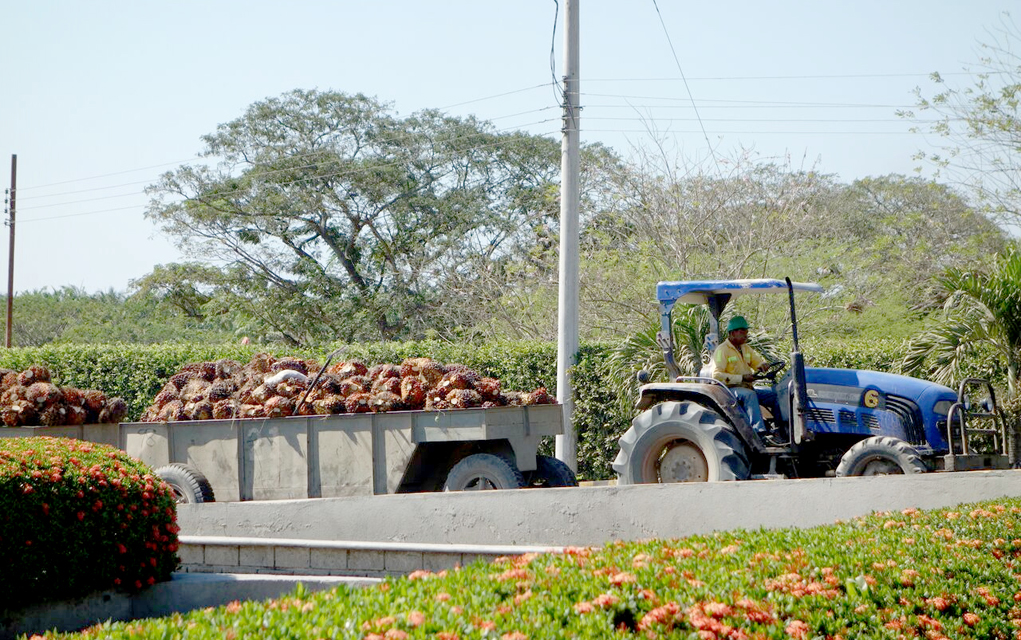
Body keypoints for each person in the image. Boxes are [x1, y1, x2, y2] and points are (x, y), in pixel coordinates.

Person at [710, 315, 777, 435]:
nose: (745, 334)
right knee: (750, 395)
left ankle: (780, 427)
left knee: (775, 394)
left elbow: (756, 361)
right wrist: (741, 378)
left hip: (746, 386)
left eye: (746, 331)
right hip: (729, 390)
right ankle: (759, 433)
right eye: (742, 331)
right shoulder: (722, 350)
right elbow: (716, 376)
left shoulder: (745, 348)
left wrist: (762, 365)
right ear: (732, 333)